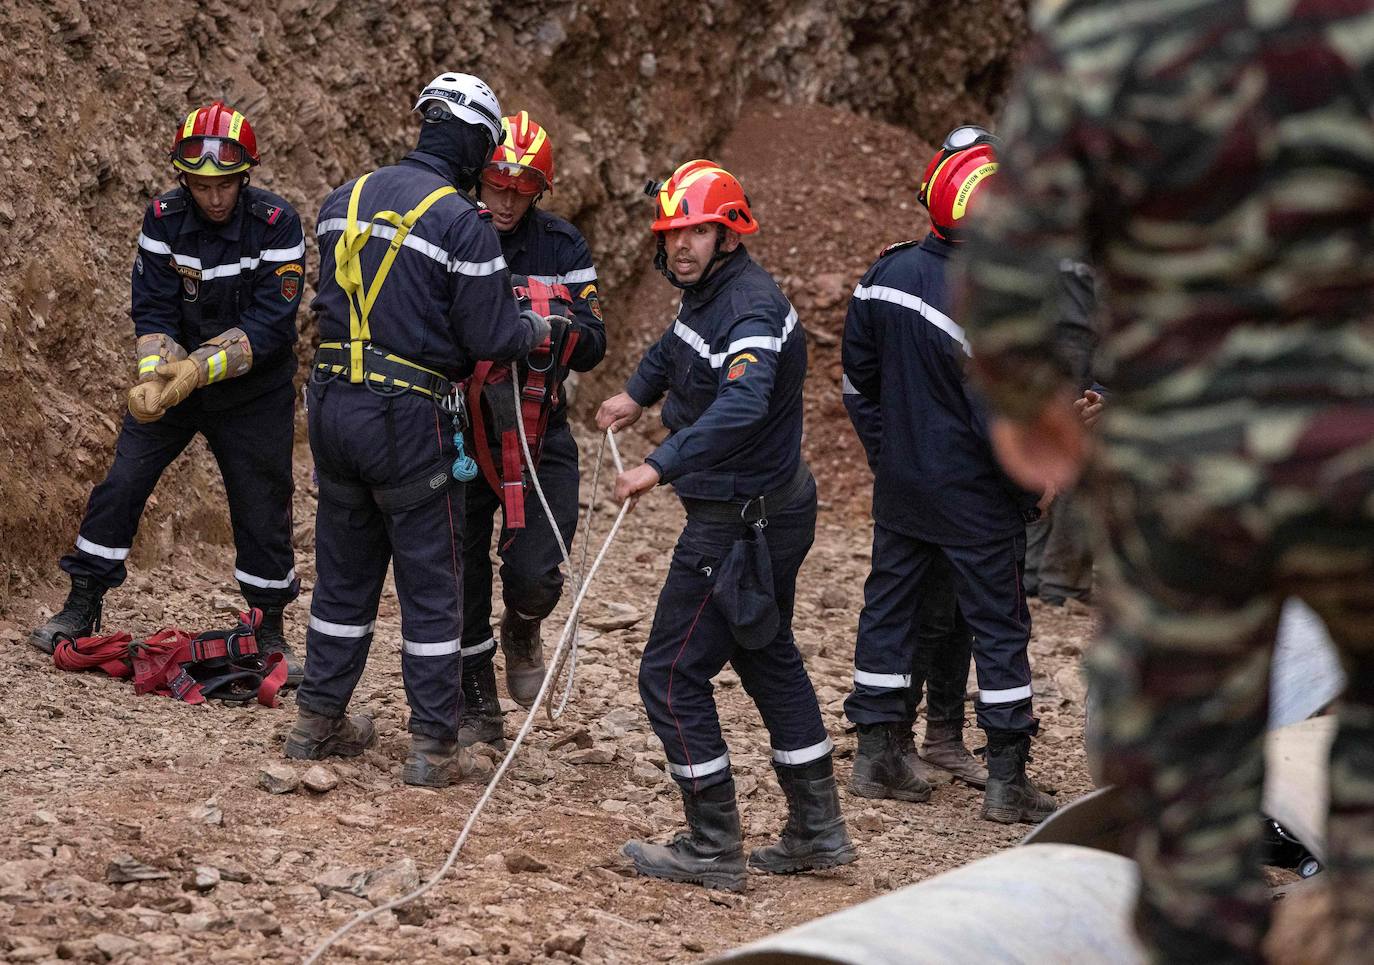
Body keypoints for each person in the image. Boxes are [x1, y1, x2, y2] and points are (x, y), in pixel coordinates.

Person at [959, 1, 1374, 959]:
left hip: (1189, 477)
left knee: (1189, 765)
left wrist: (1028, 405)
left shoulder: (1112, 35)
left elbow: (1007, 252)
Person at [596, 160, 855, 892]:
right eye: (672, 233)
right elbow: (676, 346)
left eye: (697, 232)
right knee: (765, 653)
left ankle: (713, 845)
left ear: (729, 235)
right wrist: (636, 393)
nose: (681, 245)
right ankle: (818, 830)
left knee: (670, 674)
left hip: (740, 524)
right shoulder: (707, 293)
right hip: (763, 512)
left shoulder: (750, 310)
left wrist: (659, 464)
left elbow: (742, 404)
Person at [287, 73, 547, 788]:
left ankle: (316, 719)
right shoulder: (461, 223)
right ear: (473, 141)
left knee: (344, 574)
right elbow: (492, 334)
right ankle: (434, 744)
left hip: (332, 404)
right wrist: (535, 326)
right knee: (432, 582)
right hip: (406, 415)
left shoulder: (344, 199)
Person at [29, 101, 306, 681]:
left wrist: (198, 369)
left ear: (244, 177)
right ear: (184, 179)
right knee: (123, 482)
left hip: (253, 392)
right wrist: (155, 375)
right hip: (176, 385)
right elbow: (153, 306)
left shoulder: (277, 223)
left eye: (225, 184)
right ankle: (81, 603)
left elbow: (271, 324)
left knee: (262, 505)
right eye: (201, 186)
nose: (214, 198)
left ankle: (269, 626)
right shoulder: (162, 218)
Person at [840, 127, 1055, 825]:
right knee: (999, 629)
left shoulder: (884, 276)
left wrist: (891, 456)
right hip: (977, 501)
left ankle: (877, 755)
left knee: (888, 613)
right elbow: (1002, 423)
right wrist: (1031, 489)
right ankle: (1007, 780)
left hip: (904, 491)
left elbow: (858, 386)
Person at [459, 110, 607, 748]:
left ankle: (522, 624)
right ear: (480, 179)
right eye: (497, 187)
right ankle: (474, 700)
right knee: (460, 568)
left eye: (521, 192)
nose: (506, 203)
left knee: (539, 568)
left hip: (540, 424)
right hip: (464, 428)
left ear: (539, 193)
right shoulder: (456, 230)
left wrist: (551, 328)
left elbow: (595, 340)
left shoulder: (562, 246)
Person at [843, 366, 986, 789]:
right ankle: (896, 738)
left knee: (960, 607)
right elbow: (859, 386)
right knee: (925, 609)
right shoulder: (890, 320)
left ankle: (944, 734)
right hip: (917, 478)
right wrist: (897, 459)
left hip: (969, 478)